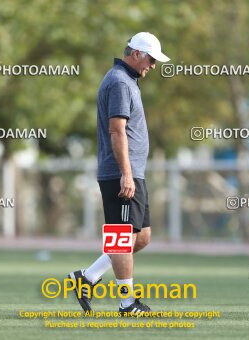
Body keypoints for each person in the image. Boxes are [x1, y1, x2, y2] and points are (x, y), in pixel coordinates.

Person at [69, 32, 170, 316]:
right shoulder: (119, 82)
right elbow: (117, 130)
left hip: (133, 172)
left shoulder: (127, 81)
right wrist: (126, 173)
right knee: (122, 237)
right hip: (121, 174)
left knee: (142, 237)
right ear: (136, 53)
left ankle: (86, 277)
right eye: (151, 59)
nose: (153, 65)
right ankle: (127, 303)